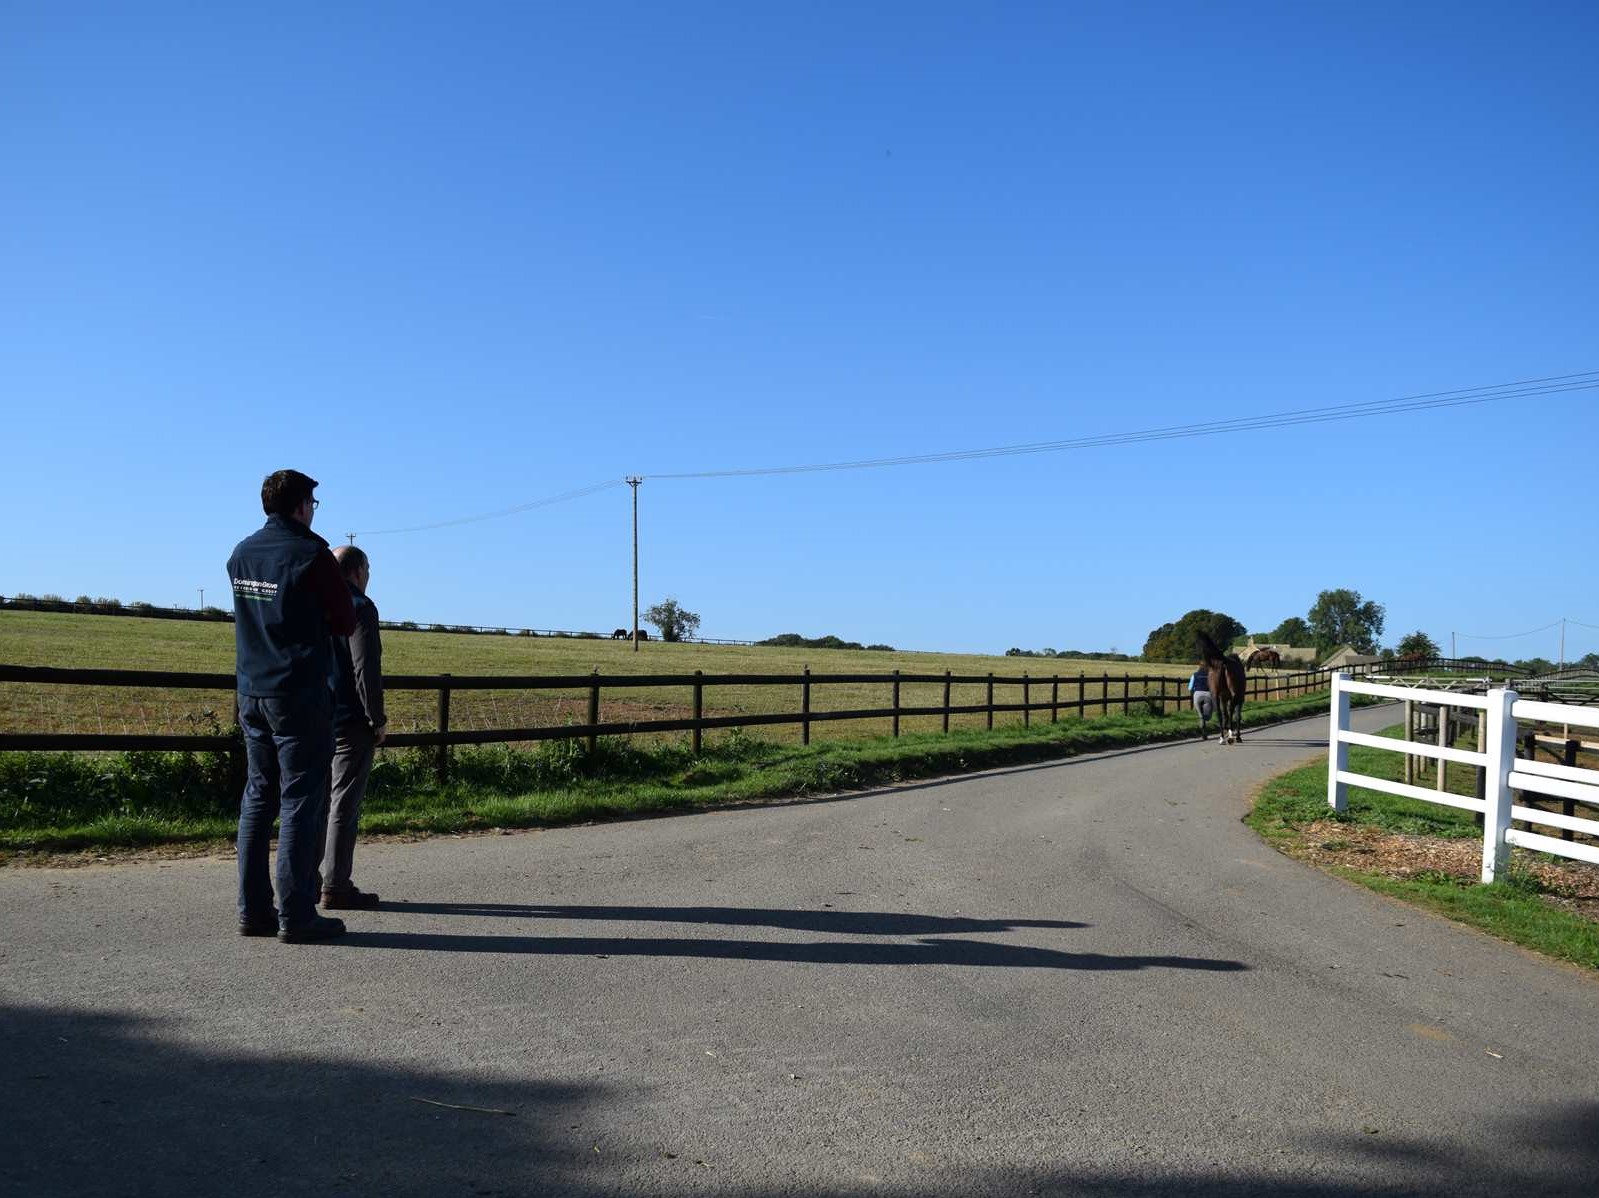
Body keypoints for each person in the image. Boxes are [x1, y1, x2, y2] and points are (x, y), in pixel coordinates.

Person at [228, 470, 356, 943]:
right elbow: (344, 620)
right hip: (299, 690)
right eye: (312, 504)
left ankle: (252, 910)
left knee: (258, 798)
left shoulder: (242, 553)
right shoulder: (312, 556)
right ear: (302, 505)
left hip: (251, 689)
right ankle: (297, 913)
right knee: (302, 798)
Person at [319, 544, 387, 910]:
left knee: (317, 801)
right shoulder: (360, 608)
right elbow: (365, 668)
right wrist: (376, 718)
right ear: (358, 571)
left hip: (315, 715)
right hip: (349, 719)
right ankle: (336, 884)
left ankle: (307, 878)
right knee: (344, 804)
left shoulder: (314, 603)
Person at [1190, 662, 1215, 740]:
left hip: (1197, 694)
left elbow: (1190, 688)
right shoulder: (1211, 675)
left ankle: (1202, 727)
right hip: (1208, 694)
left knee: (1201, 715)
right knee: (1207, 717)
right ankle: (1204, 721)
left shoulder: (1194, 675)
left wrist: (1193, 694)